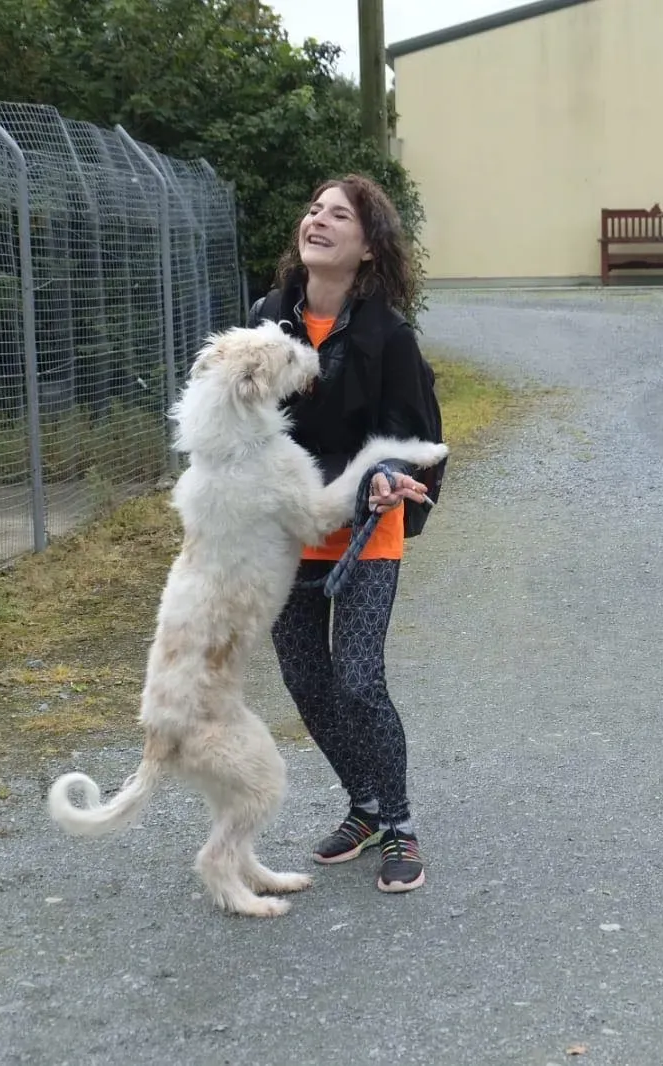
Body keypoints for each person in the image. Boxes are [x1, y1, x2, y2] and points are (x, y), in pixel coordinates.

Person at [246, 174, 445, 894]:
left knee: (358, 682)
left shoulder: (387, 334)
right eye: (314, 210)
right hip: (285, 534)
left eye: (340, 216)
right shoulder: (270, 319)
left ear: (367, 249)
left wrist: (388, 477)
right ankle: (361, 803)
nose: (318, 221)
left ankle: (398, 824)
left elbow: (411, 432)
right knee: (307, 684)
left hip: (365, 531)